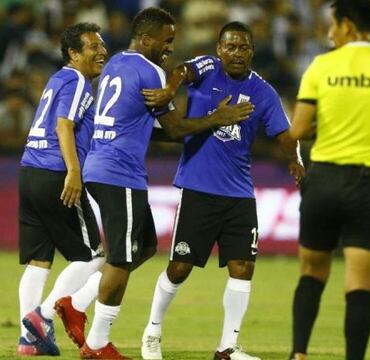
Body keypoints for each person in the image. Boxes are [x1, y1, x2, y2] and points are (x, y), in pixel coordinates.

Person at [78, 7, 255, 359]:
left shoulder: (114, 63)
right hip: (118, 171)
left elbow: (152, 128)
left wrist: (204, 125)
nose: (170, 48)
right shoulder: (151, 72)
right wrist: (217, 118)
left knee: (143, 247)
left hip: (101, 165)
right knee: (121, 259)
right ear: (146, 39)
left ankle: (76, 301)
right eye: (167, 40)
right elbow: (174, 128)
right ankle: (96, 345)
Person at [138, 21, 304, 360]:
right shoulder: (207, 68)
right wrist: (170, 88)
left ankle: (227, 347)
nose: (236, 53)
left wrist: (297, 157)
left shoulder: (263, 91)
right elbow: (183, 70)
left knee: (243, 266)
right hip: (198, 187)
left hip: (240, 193)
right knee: (180, 267)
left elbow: (286, 134)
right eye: (230, 46)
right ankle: (152, 331)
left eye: (243, 47)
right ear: (219, 49)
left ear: (252, 51)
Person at [287, 1, 370, 359]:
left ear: (345, 25)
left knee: (312, 273)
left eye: (332, 25)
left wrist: (332, 122)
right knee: (360, 286)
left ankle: (298, 354)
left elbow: (298, 129)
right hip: (369, 185)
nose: (330, 32)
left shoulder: (322, 65)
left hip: (325, 181)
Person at [16, 22, 108, 356]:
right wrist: (73, 171)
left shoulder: (57, 79)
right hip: (57, 173)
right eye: (93, 47)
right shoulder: (79, 81)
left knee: (40, 260)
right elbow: (64, 125)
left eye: (102, 45)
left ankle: (29, 341)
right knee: (94, 256)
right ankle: (41, 317)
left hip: (30, 172)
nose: (101, 52)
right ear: (73, 53)